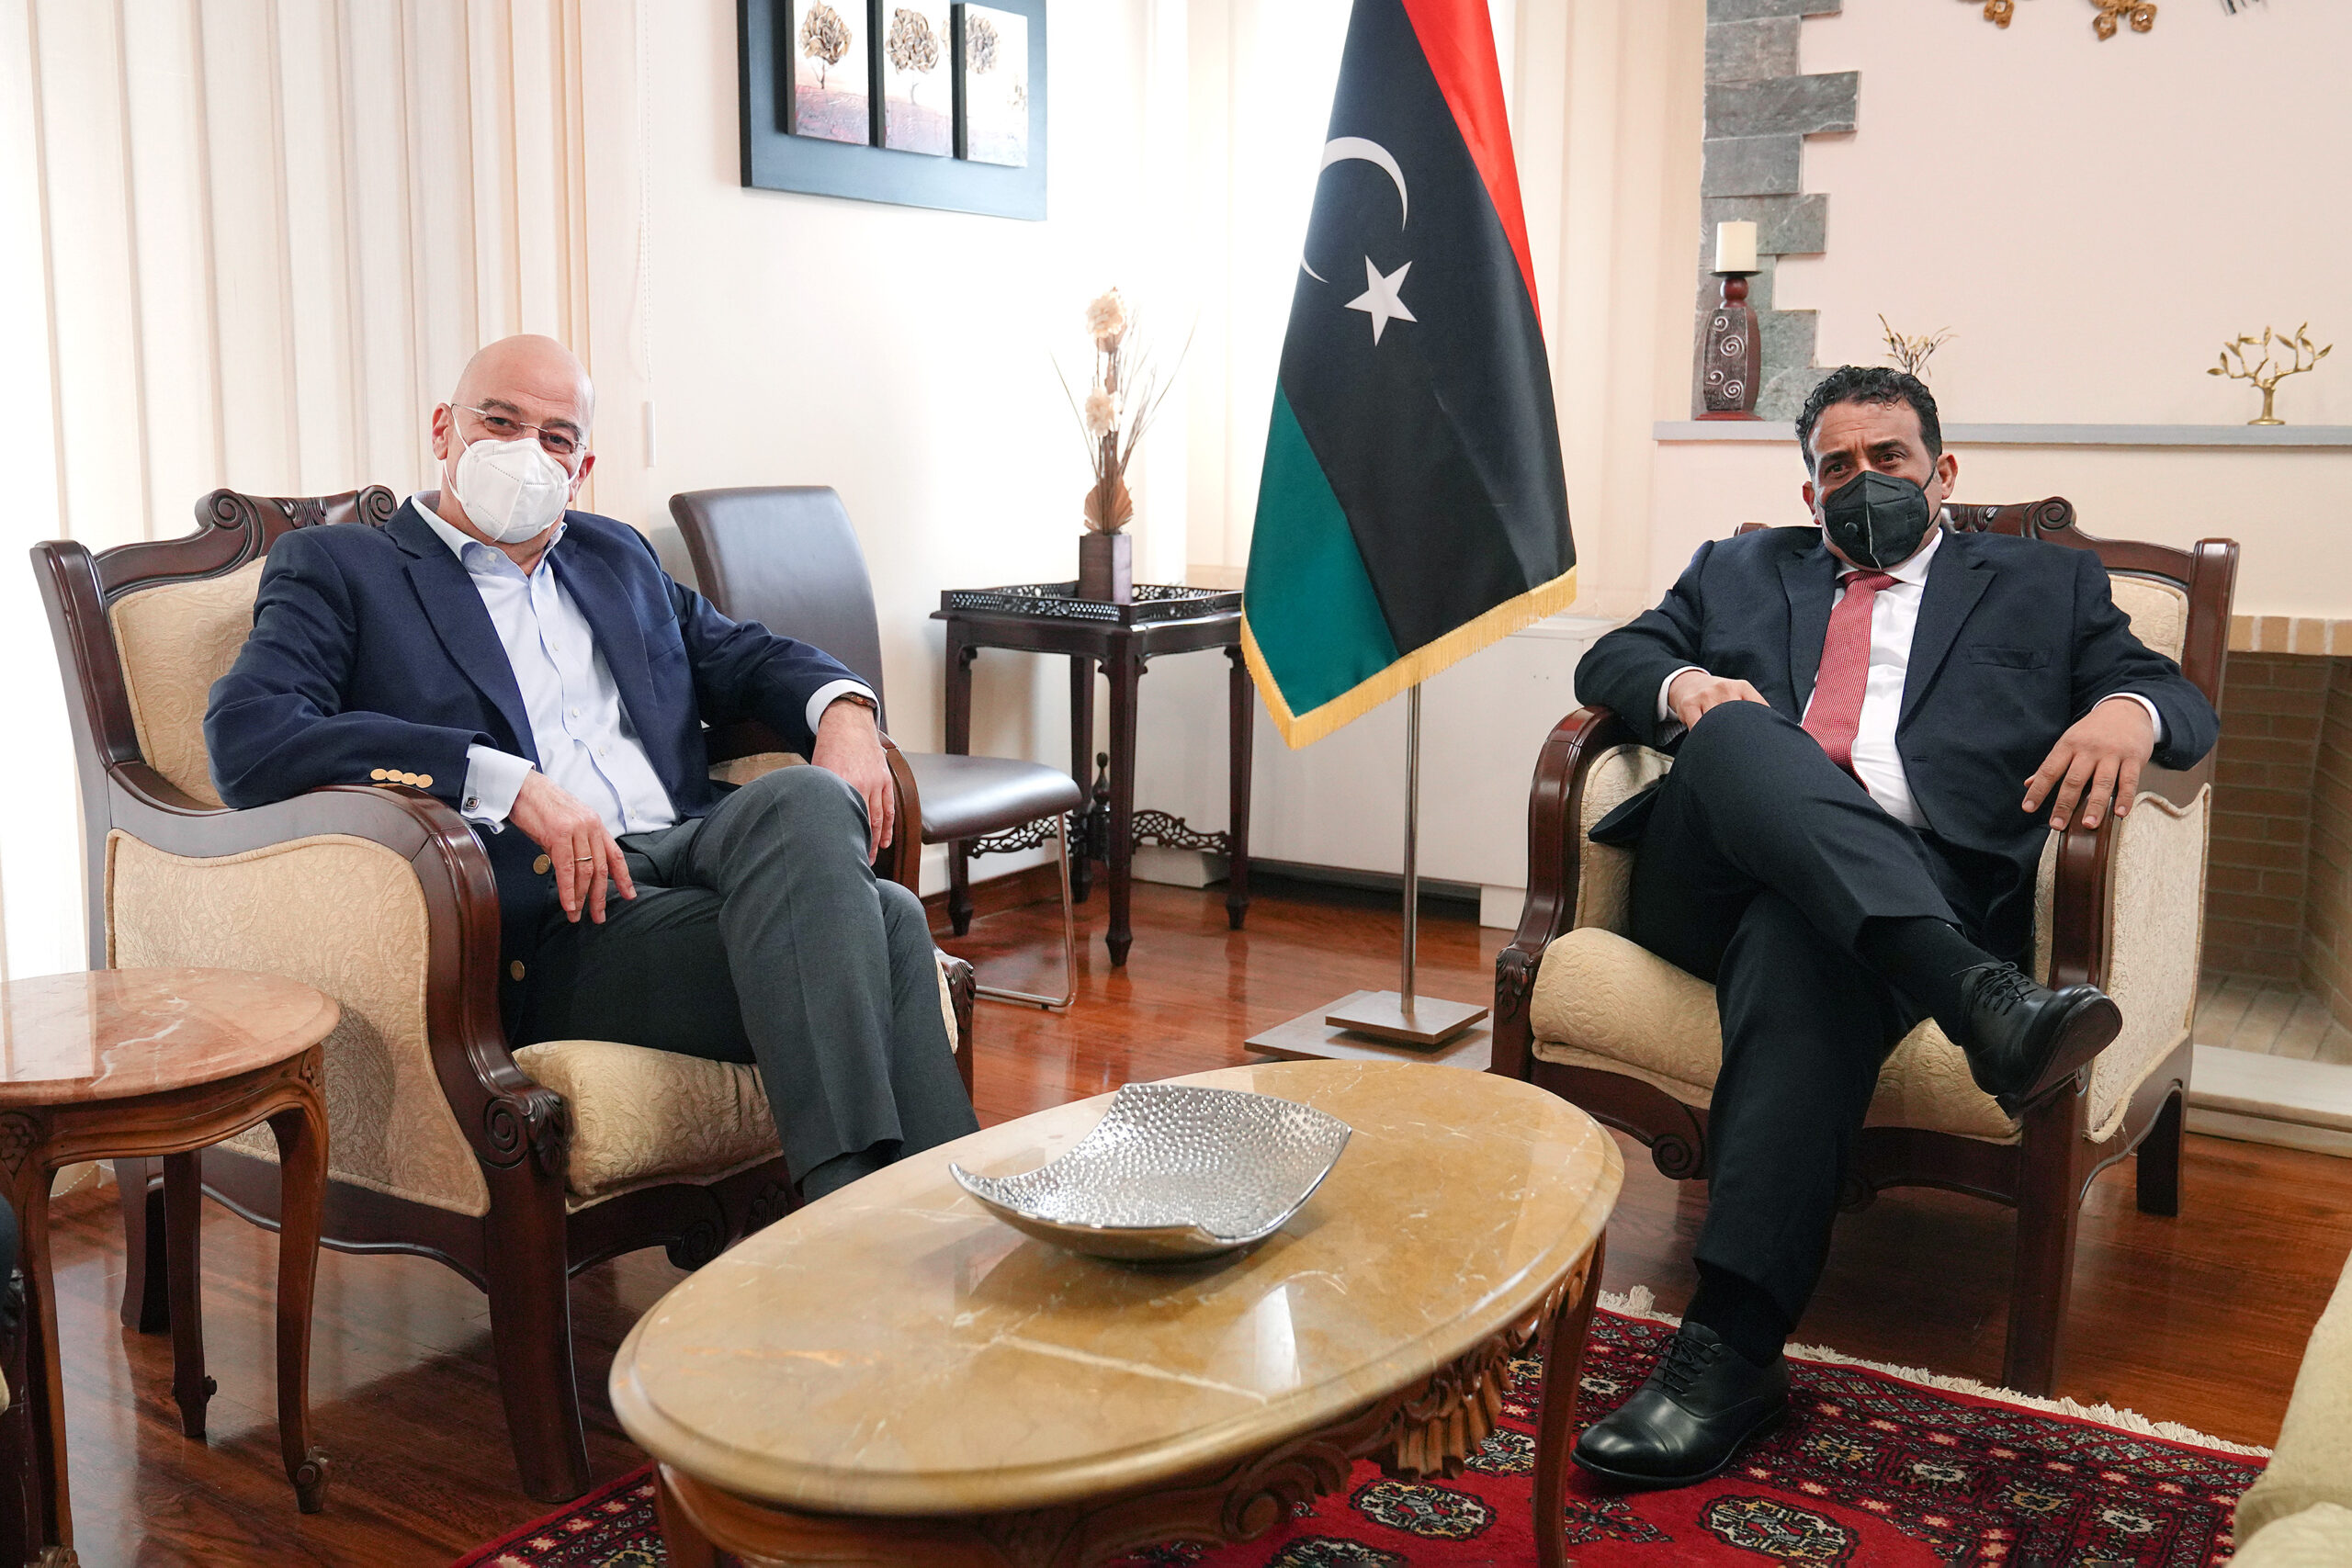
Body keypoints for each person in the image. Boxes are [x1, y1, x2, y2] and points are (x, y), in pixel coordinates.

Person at [1566, 366, 2218, 1488]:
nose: (1861, 481)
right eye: (1836, 466)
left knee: (1800, 946)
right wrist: (1684, 690)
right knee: (1735, 731)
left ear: (1940, 471)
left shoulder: (2044, 585)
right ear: (1808, 492)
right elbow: (1612, 657)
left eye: (1887, 459)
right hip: (1708, 878)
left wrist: (2125, 709)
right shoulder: (1735, 567)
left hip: (1910, 886)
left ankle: (1729, 1351)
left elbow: (2180, 701)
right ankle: (1978, 998)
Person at [207, 334, 977, 1202]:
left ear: (581, 469)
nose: (526, 452)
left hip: (692, 849)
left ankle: (864, 1221)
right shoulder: (345, 567)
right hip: (560, 917)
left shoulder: (616, 556)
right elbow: (251, 738)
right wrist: (502, 780)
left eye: (556, 438)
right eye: (500, 422)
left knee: (805, 796)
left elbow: (747, 655)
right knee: (888, 920)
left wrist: (845, 711)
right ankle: (917, 1223)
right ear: (444, 429)